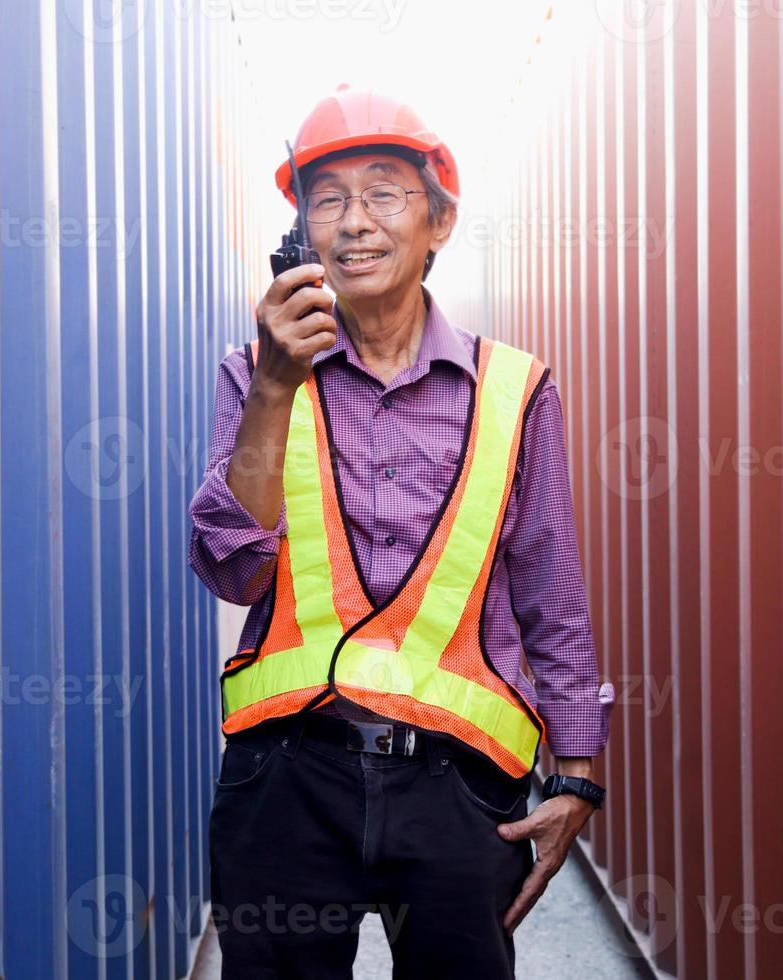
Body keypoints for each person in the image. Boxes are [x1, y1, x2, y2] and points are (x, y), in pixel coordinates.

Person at [187, 85, 614, 979]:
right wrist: (273, 386)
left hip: (459, 791)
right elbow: (230, 569)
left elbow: (551, 590)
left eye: (385, 192)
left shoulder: (516, 391)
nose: (355, 223)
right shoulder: (254, 374)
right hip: (287, 780)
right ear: (302, 233)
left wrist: (576, 775)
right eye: (328, 199)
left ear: (440, 221)